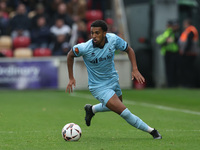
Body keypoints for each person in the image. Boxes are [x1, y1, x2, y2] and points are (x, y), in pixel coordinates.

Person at [66, 20, 162, 139]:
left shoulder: (113, 39)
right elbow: (70, 55)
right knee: (124, 111)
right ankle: (152, 131)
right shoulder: (84, 48)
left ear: (105, 33)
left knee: (117, 105)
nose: (94, 36)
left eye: (97, 33)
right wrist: (71, 77)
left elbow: (129, 50)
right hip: (98, 87)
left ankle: (92, 109)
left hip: (113, 80)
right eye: (92, 33)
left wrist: (135, 69)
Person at [156, 20, 179, 87]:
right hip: (169, 52)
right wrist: (166, 40)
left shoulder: (172, 32)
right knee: (170, 69)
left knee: (172, 69)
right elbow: (159, 40)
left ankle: (172, 84)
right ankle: (171, 84)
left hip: (172, 53)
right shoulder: (169, 32)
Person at [179, 19, 199, 87]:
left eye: (184, 23)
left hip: (190, 53)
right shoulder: (188, 30)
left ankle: (189, 84)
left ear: (187, 23)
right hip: (188, 53)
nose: (183, 24)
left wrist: (184, 51)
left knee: (188, 69)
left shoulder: (191, 30)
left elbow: (189, 42)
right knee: (187, 69)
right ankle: (187, 83)